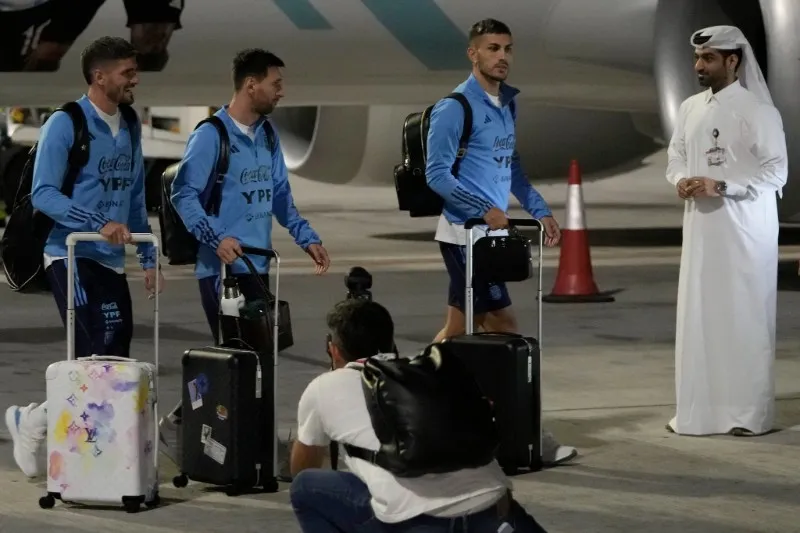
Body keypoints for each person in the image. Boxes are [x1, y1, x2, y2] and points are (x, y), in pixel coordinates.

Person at [4, 36, 165, 478]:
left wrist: (148, 256)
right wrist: (97, 222)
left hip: (110, 260)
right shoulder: (66, 123)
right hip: (69, 254)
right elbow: (43, 194)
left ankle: (34, 421)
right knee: (90, 360)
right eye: (127, 72)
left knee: (114, 357)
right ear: (99, 76)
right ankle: (77, 452)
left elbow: (134, 195)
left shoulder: (129, 123)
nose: (135, 79)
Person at [161, 48, 330, 464]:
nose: (281, 92)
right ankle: (192, 427)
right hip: (221, 270)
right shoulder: (211, 136)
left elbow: (280, 195)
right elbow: (183, 194)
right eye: (276, 84)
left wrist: (306, 236)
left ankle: (225, 435)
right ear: (251, 85)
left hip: (257, 265)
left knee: (253, 358)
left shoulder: (267, 135)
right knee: (238, 358)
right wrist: (215, 237)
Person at [425, 18, 576, 466]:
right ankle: (530, 433)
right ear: (473, 53)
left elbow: (512, 169)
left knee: (455, 333)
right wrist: (483, 209)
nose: (502, 56)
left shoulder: (507, 104)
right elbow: (436, 175)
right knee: (506, 328)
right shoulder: (454, 107)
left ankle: (408, 400)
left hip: (491, 238)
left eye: (507, 48)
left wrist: (540, 210)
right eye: (492, 48)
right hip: (465, 237)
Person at [289, 298, 550, 533]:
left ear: (334, 349)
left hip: (420, 522)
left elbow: (302, 467)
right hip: (495, 507)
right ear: (390, 340)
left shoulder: (324, 386)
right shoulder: (430, 372)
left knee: (305, 486)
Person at [665, 25, 788, 437]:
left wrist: (723, 186)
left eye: (709, 58)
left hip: (746, 232)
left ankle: (750, 415)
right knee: (700, 317)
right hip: (702, 230)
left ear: (733, 60)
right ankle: (700, 415)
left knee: (745, 318)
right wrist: (681, 179)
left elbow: (777, 173)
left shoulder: (759, 111)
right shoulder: (690, 108)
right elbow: (676, 155)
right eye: (697, 58)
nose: (699, 66)